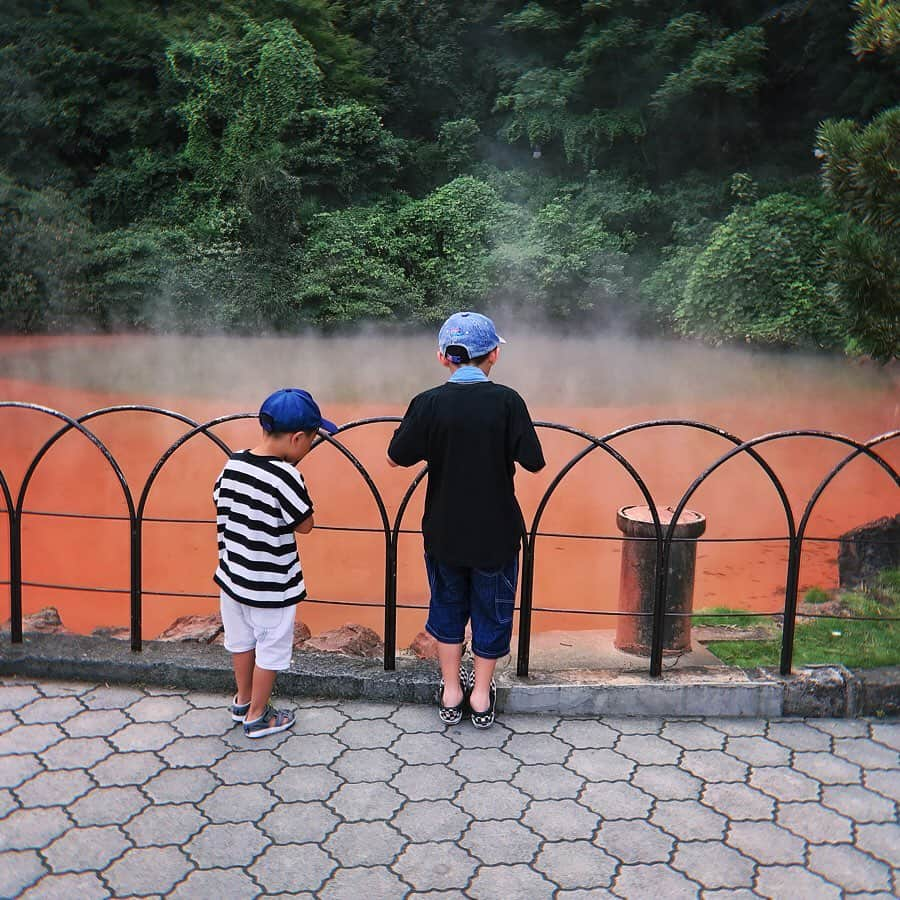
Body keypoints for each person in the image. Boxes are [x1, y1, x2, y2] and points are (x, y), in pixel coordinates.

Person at [387, 312, 545, 727]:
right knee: (492, 611)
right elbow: (534, 461)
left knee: (447, 607)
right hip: (496, 532)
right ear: (493, 354)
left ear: (444, 358)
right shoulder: (508, 401)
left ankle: (451, 691)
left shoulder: (428, 403)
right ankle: (480, 696)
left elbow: (396, 455)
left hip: (443, 530)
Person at [213, 388, 337, 738]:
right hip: (271, 584)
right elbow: (305, 524)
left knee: (240, 641)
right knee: (270, 647)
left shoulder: (234, 461)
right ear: (297, 438)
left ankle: (242, 699)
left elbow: (218, 497)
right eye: (312, 439)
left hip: (232, 576)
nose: (311, 446)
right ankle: (258, 716)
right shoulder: (286, 477)